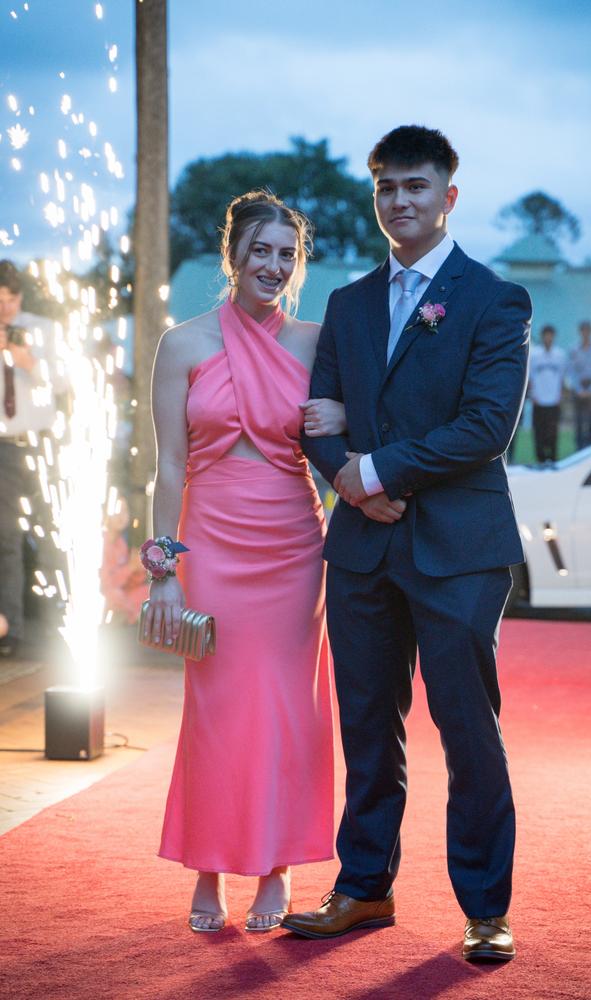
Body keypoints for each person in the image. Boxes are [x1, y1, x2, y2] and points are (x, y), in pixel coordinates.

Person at [282, 125, 531, 963]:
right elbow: (317, 417)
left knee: (467, 729)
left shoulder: (494, 300)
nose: (401, 201)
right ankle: (364, 888)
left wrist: (373, 469)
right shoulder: (349, 305)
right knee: (366, 728)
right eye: (387, 187)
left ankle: (487, 907)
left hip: (459, 549)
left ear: (448, 196)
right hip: (360, 551)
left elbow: (486, 427)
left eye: (416, 187)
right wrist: (348, 475)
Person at [143, 191, 343, 934]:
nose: (274, 264)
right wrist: (163, 570)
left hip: (293, 543)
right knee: (217, 708)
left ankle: (276, 869)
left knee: (288, 708)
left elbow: (355, 421)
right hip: (213, 543)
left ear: (297, 267)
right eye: (260, 251)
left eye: (287, 255)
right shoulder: (184, 344)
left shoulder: (317, 343)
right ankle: (207, 867)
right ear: (233, 256)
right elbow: (168, 466)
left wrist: (344, 416)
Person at [0, 260, 67, 658]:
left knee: (51, 536)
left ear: (20, 297)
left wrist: (25, 359)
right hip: (3, 446)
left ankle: (60, 624)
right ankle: (11, 630)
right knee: (5, 539)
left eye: (9, 299)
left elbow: (64, 381)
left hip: (44, 444)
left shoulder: (42, 330)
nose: (4, 307)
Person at [100, 496, 148, 625]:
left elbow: (130, 584)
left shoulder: (121, 542)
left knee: (151, 591)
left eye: (125, 510)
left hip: (123, 594)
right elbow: (106, 586)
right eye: (117, 510)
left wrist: (139, 569)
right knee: (115, 596)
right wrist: (130, 568)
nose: (122, 515)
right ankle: (132, 617)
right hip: (107, 597)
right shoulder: (101, 543)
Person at [529, 324, 566, 463]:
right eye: (546, 335)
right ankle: (540, 459)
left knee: (552, 433)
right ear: (542, 336)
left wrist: (560, 396)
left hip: (553, 400)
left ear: (554, 336)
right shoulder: (534, 354)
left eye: (551, 335)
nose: (548, 338)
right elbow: (530, 377)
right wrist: (533, 396)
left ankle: (553, 459)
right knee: (539, 432)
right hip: (539, 400)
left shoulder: (560, 355)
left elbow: (562, 378)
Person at [567, 320, 591, 450]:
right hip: (579, 389)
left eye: (588, 330)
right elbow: (571, 371)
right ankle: (579, 451)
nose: (586, 333)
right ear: (580, 332)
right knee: (579, 423)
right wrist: (579, 390)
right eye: (584, 330)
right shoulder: (574, 348)